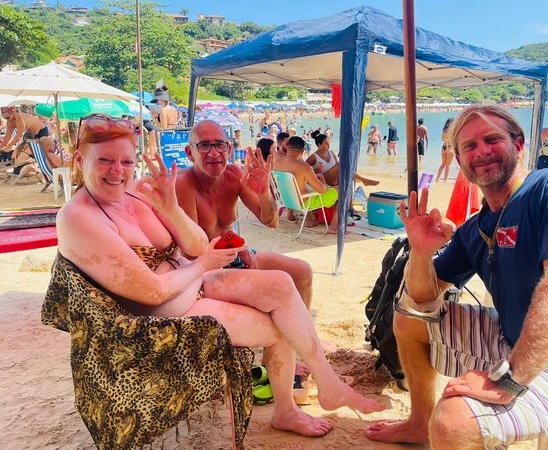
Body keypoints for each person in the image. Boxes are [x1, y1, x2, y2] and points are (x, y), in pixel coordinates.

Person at [58, 114, 385, 438]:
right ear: (80, 160)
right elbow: (155, 291)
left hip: (191, 282)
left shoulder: (132, 194)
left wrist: (171, 210)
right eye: (105, 160)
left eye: (127, 162)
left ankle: (325, 385)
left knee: (283, 285)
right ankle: (290, 408)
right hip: (163, 316)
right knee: (279, 325)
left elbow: (197, 244)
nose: (118, 171)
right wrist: (203, 265)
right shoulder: (78, 217)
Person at [367, 105, 548, 449]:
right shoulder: (476, 229)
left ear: (518, 144)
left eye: (492, 139)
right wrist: (421, 251)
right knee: (409, 319)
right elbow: (421, 300)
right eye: (469, 146)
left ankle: (441, 422)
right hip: (511, 339)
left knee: (453, 422)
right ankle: (419, 423)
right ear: (460, 161)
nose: (482, 151)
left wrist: (508, 380)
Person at [175, 120, 314, 313]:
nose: (214, 153)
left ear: (229, 149)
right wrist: (237, 246)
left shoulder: (234, 175)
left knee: (302, 271)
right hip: (201, 268)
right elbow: (192, 251)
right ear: (190, 153)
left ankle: (303, 328)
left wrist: (264, 193)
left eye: (219, 145)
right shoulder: (183, 183)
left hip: (233, 254)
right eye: (204, 145)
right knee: (277, 288)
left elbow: (271, 221)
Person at [274, 136, 341, 232]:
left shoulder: (277, 163)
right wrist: (324, 184)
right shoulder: (304, 167)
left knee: (307, 188)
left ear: (288, 147)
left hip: (285, 201)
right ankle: (334, 227)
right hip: (303, 203)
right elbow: (322, 190)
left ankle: (310, 220)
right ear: (302, 151)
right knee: (341, 190)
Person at [306, 130, 379, 187]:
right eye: (326, 143)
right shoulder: (313, 157)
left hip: (335, 179)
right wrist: (315, 170)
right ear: (319, 144)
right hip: (324, 180)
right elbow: (303, 170)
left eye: (328, 142)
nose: (328, 145)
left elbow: (338, 168)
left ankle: (358, 180)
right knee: (341, 164)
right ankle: (363, 180)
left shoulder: (331, 153)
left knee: (346, 170)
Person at [435, 118, 455, 182]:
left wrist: (446, 139)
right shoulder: (453, 130)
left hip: (444, 147)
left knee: (443, 164)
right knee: (448, 165)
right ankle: (445, 180)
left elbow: (442, 139)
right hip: (450, 148)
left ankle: (437, 178)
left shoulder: (444, 130)